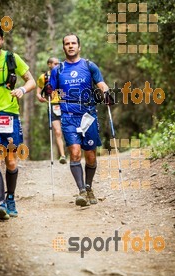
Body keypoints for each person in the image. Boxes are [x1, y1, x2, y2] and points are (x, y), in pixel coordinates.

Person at [49, 33, 110, 207]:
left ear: (79, 46)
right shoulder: (58, 69)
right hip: (68, 116)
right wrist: (47, 89)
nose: (70, 46)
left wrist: (106, 93)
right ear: (63, 47)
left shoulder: (89, 66)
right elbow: (50, 90)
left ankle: (89, 186)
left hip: (88, 115)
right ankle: (82, 191)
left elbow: (101, 83)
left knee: (90, 156)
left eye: (73, 43)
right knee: (75, 152)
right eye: (67, 43)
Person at [0, 25, 36, 220]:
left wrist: (22, 90)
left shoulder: (11, 58)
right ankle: (1, 204)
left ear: (2, 40)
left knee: (11, 161)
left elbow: (31, 81)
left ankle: (11, 197)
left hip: (10, 115)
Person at [36, 57, 67, 164]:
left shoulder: (63, 74)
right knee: (58, 132)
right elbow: (38, 90)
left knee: (68, 130)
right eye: (55, 63)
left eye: (59, 63)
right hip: (52, 105)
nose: (57, 65)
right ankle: (62, 155)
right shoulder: (43, 77)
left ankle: (74, 152)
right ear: (49, 64)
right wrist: (39, 96)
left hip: (65, 104)